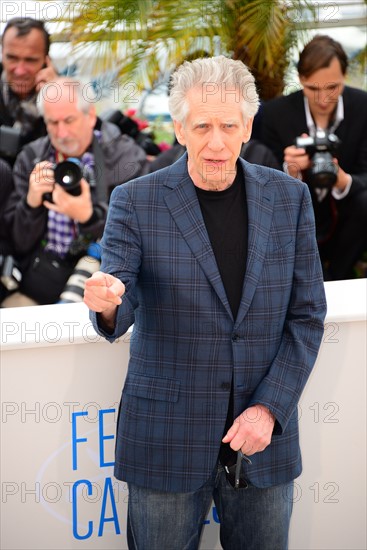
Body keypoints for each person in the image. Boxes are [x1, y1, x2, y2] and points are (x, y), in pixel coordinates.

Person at [84, 56, 326, 550]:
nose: (216, 142)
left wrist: (269, 410)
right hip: (165, 439)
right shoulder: (135, 201)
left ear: (247, 126)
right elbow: (117, 308)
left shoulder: (289, 200)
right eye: (202, 126)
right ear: (178, 128)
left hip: (263, 439)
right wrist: (106, 302)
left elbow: (307, 317)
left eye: (228, 125)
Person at [1, 77, 149, 307]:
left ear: (90, 115)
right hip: (40, 280)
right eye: (52, 123)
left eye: (69, 120)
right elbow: (17, 243)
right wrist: (31, 203)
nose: (61, 133)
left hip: (105, 286)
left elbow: (142, 234)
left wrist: (89, 217)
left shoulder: (125, 157)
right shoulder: (31, 157)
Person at [260, 34, 367, 281]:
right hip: (297, 221)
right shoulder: (275, 113)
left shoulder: (362, 107)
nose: (323, 99)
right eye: (312, 89)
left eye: (333, 88)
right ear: (300, 80)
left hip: (349, 219)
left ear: (345, 77)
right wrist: (290, 171)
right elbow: (262, 183)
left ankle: (337, 279)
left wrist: (343, 181)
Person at [0, 17, 58, 164]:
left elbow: (93, 137)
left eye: (30, 60)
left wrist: (57, 98)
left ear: (46, 61)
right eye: (12, 58)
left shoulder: (64, 93)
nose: (19, 71)